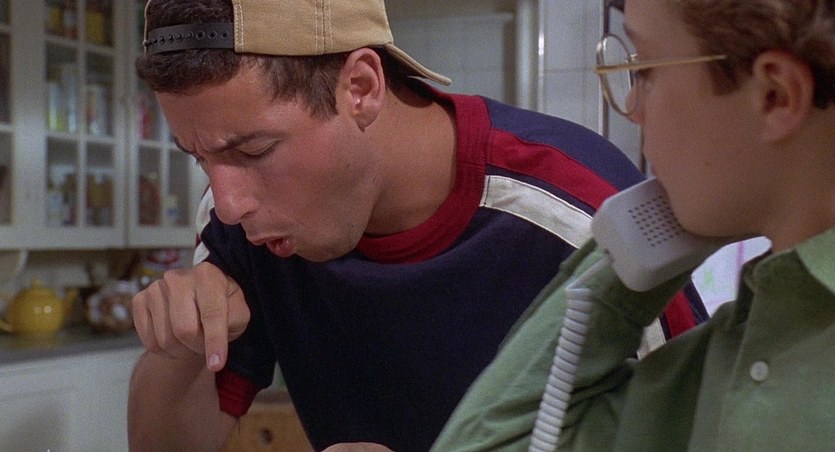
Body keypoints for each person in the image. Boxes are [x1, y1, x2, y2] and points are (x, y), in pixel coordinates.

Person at [127, 0, 707, 450]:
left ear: (360, 89)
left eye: (254, 151)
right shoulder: (240, 221)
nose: (228, 203)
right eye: (200, 158)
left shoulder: (578, 208)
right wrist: (177, 350)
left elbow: (712, 427)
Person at [432, 0, 835, 450]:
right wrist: (631, 256)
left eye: (646, 69)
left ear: (775, 96)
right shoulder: (733, 353)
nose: (632, 105)